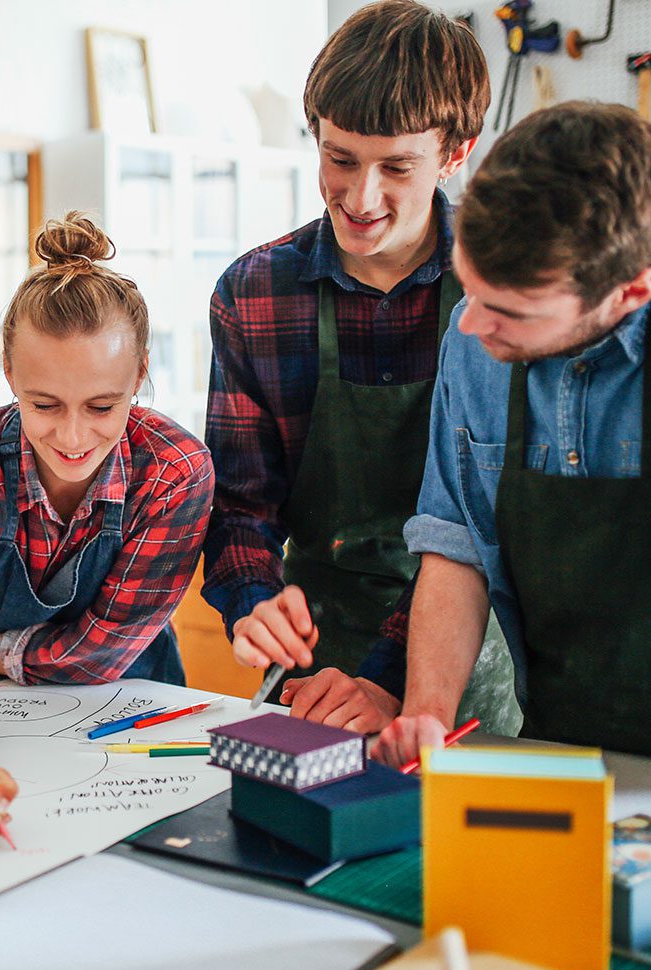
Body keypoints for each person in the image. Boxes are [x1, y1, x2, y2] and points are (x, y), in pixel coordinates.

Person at [202, 1, 494, 720]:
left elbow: (484, 531)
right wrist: (253, 603)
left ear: (456, 153)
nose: (361, 197)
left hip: (467, 678)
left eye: (397, 167)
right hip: (312, 674)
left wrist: (391, 678)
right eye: (340, 159)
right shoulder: (255, 292)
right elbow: (241, 504)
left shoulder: (499, 300)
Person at [0, 213, 215, 850]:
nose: (73, 438)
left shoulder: (176, 472)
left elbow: (97, 655)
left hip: (139, 725)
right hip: (3, 729)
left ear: (140, 376)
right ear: (11, 377)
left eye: (102, 406)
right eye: (44, 405)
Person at [374, 102, 651, 765]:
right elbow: (454, 549)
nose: (471, 325)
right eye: (469, 288)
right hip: (558, 747)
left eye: (511, 311)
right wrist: (425, 713)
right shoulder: (473, 345)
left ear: (631, 292)